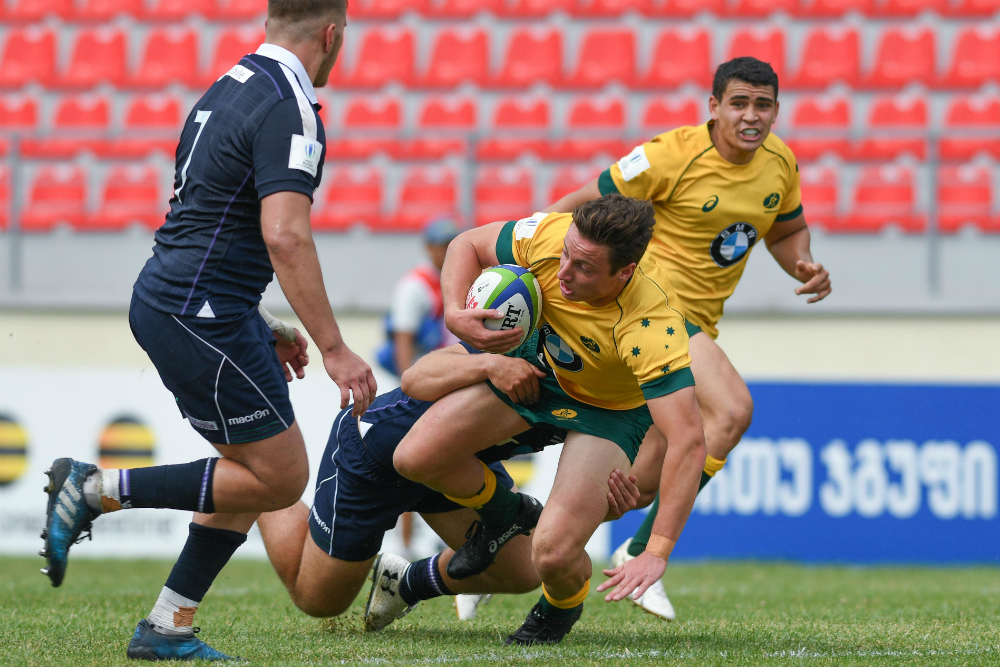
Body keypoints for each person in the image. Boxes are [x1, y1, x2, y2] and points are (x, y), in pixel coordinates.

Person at [39, 0, 376, 660]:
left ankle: (168, 625)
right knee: (280, 478)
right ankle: (93, 489)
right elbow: (285, 235)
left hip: (195, 303)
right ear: (331, 34)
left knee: (250, 468)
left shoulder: (229, 87)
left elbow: (207, 217)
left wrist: (260, 318)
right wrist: (334, 348)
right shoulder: (290, 106)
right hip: (199, 313)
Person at [545, 56, 832, 620]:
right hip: (652, 313)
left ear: (777, 110)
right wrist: (533, 256)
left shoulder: (780, 164)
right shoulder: (669, 155)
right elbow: (579, 204)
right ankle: (644, 555)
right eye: (739, 103)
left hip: (693, 327)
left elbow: (787, 230)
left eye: (763, 105)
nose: (751, 116)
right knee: (731, 410)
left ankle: (505, 544)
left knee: (636, 488)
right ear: (714, 107)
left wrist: (802, 263)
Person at [393, 194, 708, 645]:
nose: (563, 272)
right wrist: (456, 314)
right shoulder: (553, 236)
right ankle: (507, 515)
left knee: (552, 554)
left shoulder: (652, 325)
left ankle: (559, 608)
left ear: (624, 272)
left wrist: (656, 551)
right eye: (566, 255)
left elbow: (689, 440)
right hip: (537, 368)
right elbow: (467, 244)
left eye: (585, 268)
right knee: (414, 458)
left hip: (607, 412)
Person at [255, 337, 641, 632]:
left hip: (459, 466)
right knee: (319, 601)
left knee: (523, 571)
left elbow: (638, 488)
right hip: (379, 453)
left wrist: (601, 508)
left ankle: (405, 582)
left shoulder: (632, 403)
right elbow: (417, 376)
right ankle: (259, 486)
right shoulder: (544, 338)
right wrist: (489, 362)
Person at [375, 217, 460, 563]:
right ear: (429, 247)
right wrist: (409, 389)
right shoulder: (416, 286)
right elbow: (403, 340)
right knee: (412, 463)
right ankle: (406, 544)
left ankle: (440, 538)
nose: (446, 250)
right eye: (441, 244)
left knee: (441, 459)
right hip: (421, 386)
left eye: (451, 244)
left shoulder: (452, 280)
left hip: (443, 383)